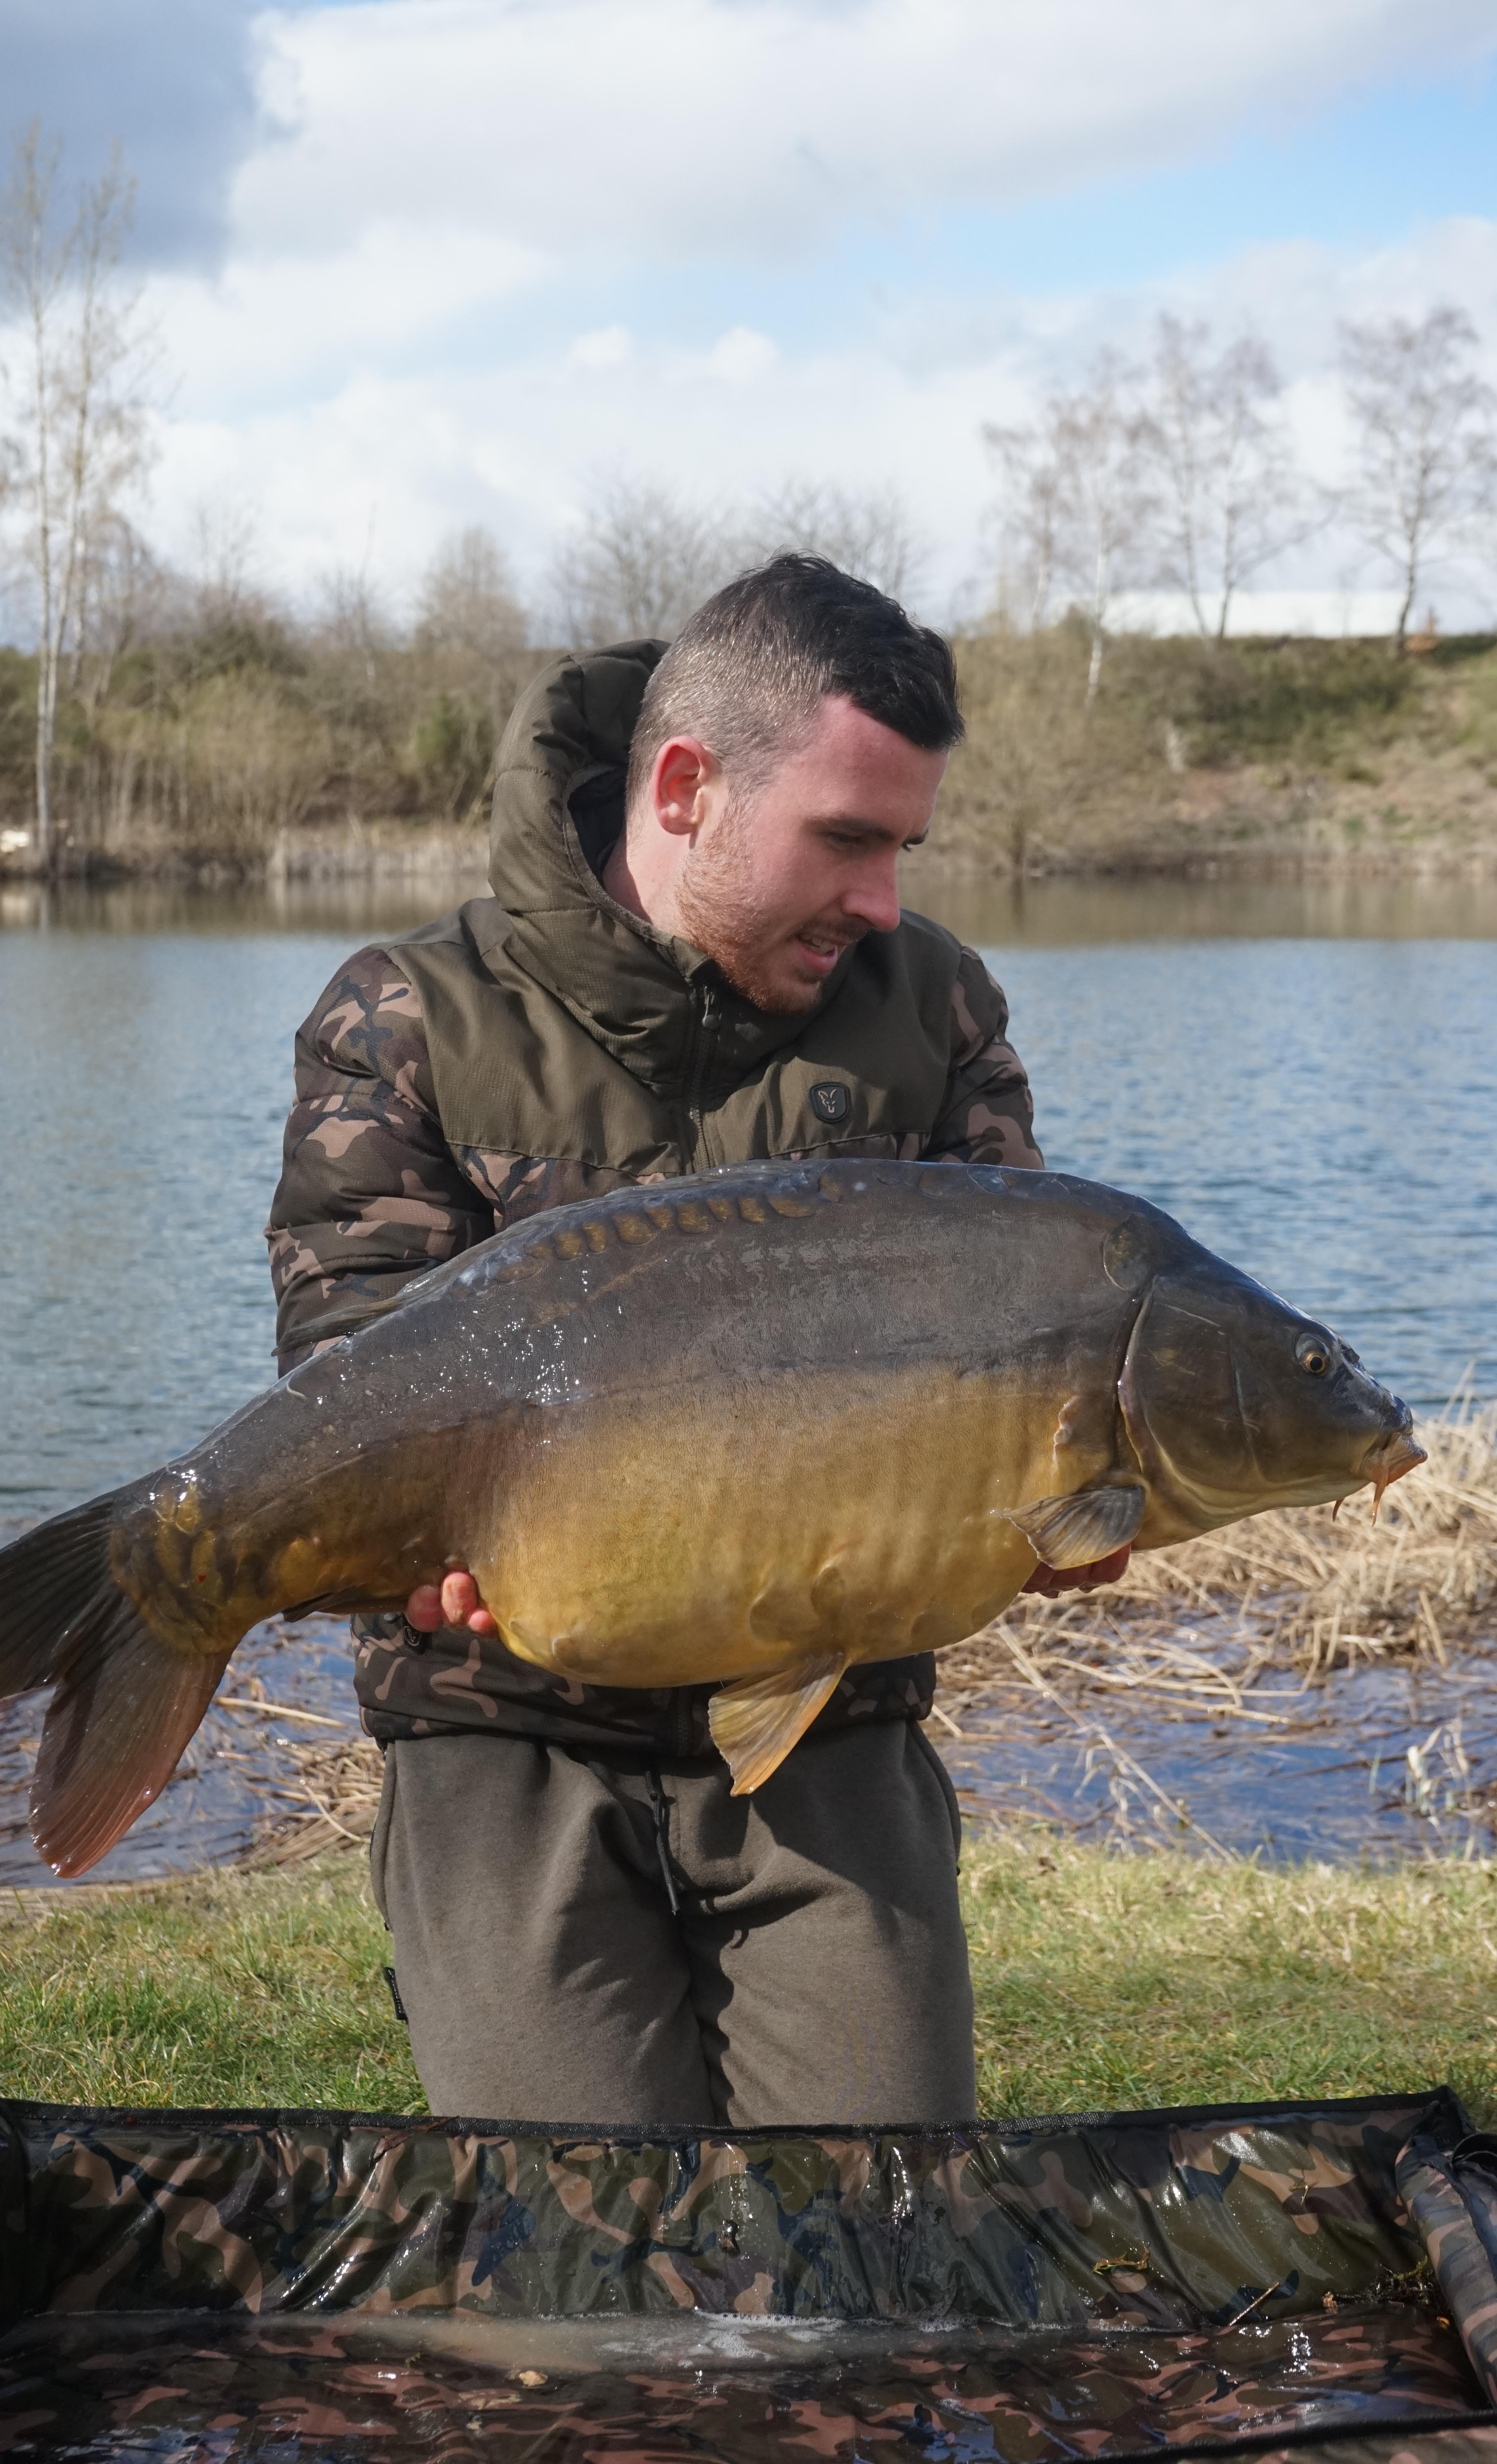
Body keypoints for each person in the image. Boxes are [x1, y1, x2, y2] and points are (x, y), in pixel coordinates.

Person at [267, 555, 1122, 2128]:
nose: (884, 902)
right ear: (684, 789)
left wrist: (1056, 1491)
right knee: (581, 2251)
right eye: (847, 839)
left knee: (875, 2230)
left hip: (833, 1725)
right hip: (501, 1723)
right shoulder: (410, 1014)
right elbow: (349, 1360)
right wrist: (412, 1542)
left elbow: (1029, 1315)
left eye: (905, 847)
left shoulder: (933, 1005)